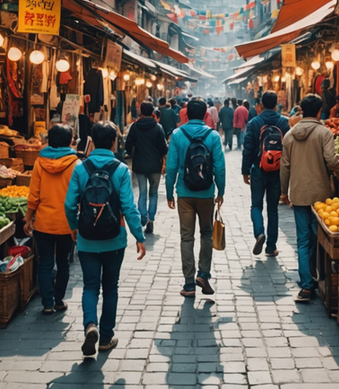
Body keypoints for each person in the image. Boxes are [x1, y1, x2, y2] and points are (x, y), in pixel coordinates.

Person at [65, 121, 146, 355]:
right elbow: (129, 207)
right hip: (114, 238)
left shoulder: (80, 168)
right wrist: (138, 236)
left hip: (87, 237)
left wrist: (74, 227)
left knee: (90, 286)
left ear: (92, 140)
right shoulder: (121, 169)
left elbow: (70, 204)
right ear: (114, 142)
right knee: (110, 288)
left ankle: (90, 324)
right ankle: (106, 337)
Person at [280, 94, 339, 302]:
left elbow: (285, 166)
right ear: (318, 112)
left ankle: (307, 284)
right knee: (321, 237)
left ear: (301, 111)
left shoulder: (290, 135)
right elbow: (331, 160)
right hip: (321, 195)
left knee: (302, 239)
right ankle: (322, 278)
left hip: (298, 193)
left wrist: (284, 191)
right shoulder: (324, 133)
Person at [166, 96, 225, 298]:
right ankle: (204, 273)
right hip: (206, 193)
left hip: (184, 192)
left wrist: (169, 191)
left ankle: (189, 284)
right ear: (206, 115)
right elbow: (220, 167)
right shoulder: (213, 136)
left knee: (186, 237)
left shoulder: (177, 134)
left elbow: (171, 165)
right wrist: (221, 191)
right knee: (206, 233)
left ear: (187, 114)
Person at [25, 124, 79, 315]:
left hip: (44, 223)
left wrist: (28, 219)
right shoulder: (75, 164)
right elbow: (78, 195)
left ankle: (47, 303)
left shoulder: (40, 162)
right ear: (70, 140)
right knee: (63, 262)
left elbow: (34, 195)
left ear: (49, 140)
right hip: (67, 223)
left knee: (45, 262)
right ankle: (59, 300)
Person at [242, 91, 290, 258]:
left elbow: (247, 147)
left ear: (261, 105)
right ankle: (271, 247)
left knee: (256, 205)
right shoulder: (284, 123)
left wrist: (245, 170)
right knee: (273, 209)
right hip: (277, 171)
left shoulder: (255, 122)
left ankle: (259, 233)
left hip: (258, 169)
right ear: (276, 104)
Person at [125, 101, 168, 234]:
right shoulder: (158, 127)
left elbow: (128, 145)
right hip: (155, 165)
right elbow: (164, 148)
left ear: (141, 112)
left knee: (143, 193)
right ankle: (150, 219)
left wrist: (134, 153)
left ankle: (143, 216)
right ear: (152, 112)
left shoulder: (135, 127)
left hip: (140, 165)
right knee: (153, 194)